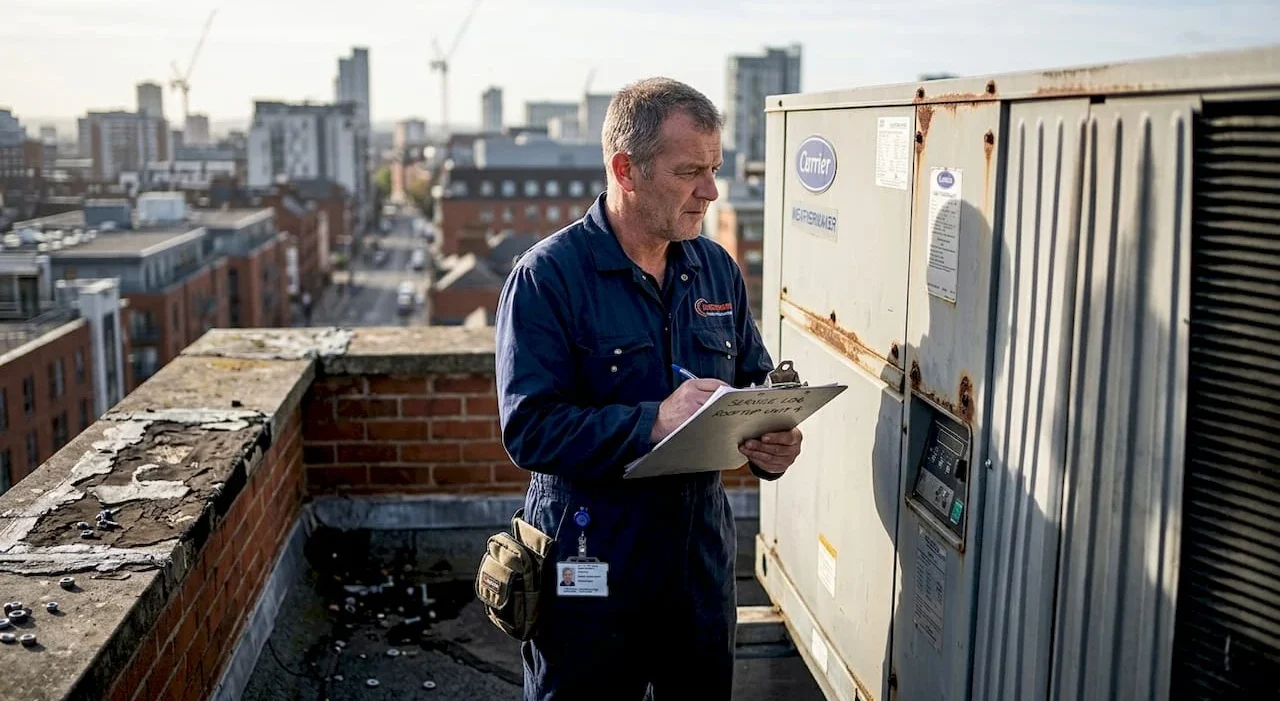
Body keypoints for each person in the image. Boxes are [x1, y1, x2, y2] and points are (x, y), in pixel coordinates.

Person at [495, 77, 803, 701]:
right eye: (690, 171)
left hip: (699, 565)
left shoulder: (714, 266)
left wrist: (773, 439)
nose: (710, 192)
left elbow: (751, 380)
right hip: (589, 565)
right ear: (625, 170)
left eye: (713, 169)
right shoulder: (547, 278)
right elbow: (529, 429)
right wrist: (652, 423)